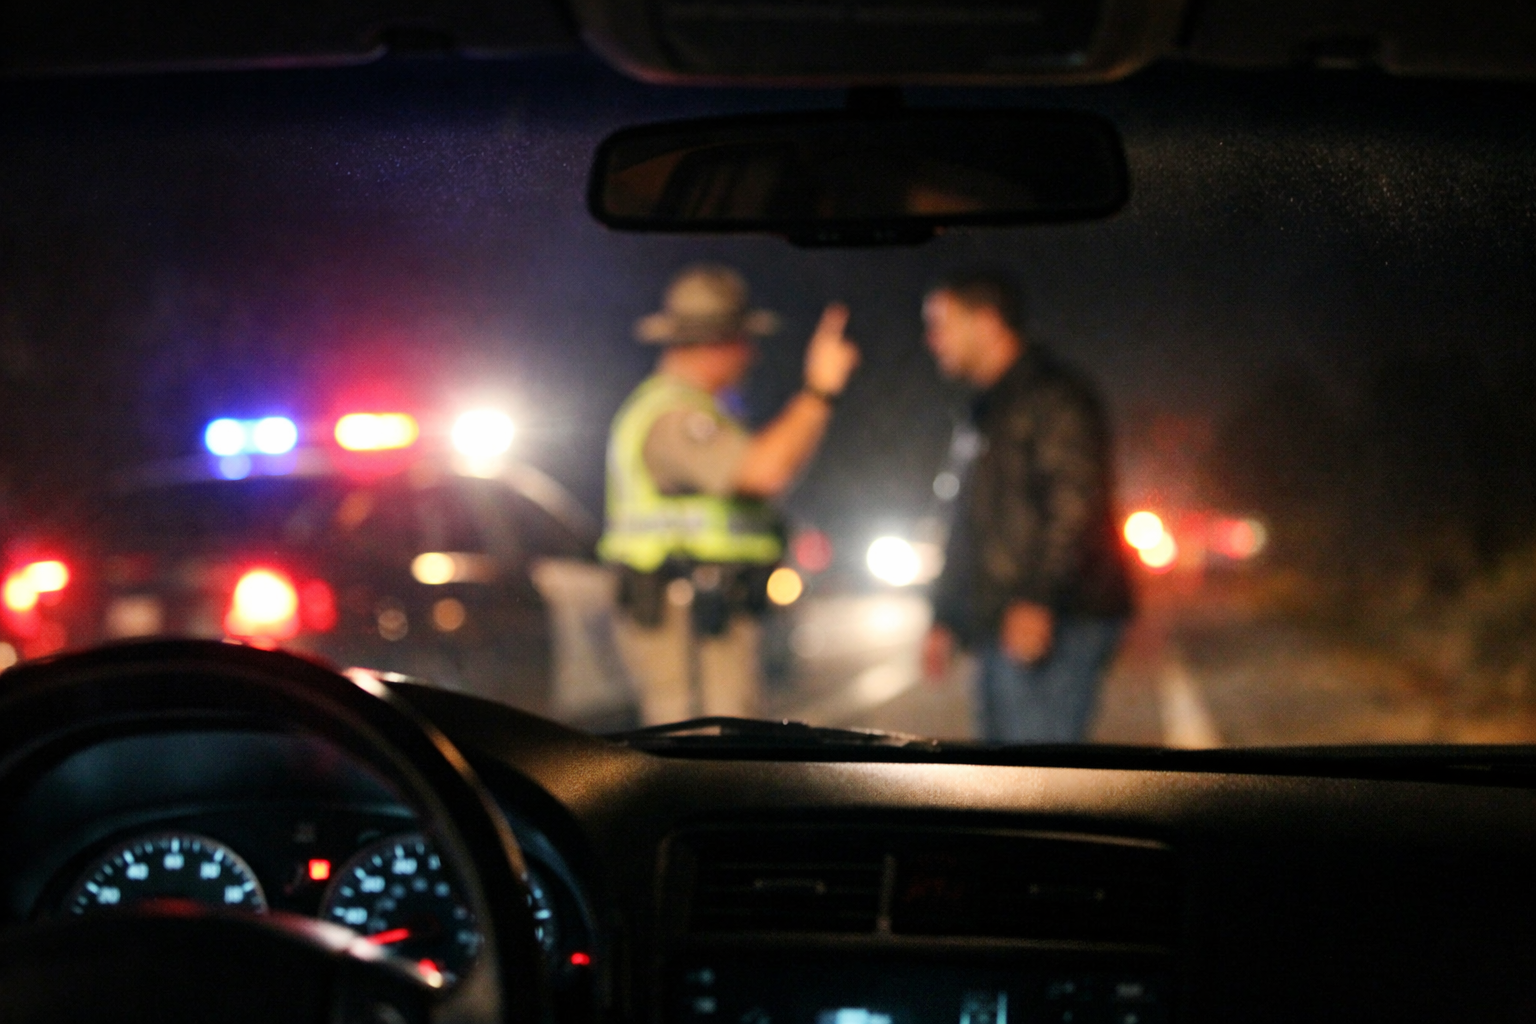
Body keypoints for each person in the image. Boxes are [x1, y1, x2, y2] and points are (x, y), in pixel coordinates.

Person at [600, 264, 860, 725]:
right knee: (703, 748)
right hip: (687, 620)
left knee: (718, 743)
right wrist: (820, 389)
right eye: (744, 341)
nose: (751, 355)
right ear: (717, 344)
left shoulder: (692, 410)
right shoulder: (675, 415)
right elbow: (764, 470)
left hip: (703, 612)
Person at [920, 271, 1132, 743]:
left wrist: (1039, 599)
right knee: (998, 779)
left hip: (1058, 621)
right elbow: (969, 522)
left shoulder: (1052, 396)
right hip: (1002, 617)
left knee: (1038, 780)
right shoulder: (985, 408)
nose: (932, 340)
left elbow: (1075, 505)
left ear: (988, 321)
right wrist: (943, 615)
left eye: (942, 323)